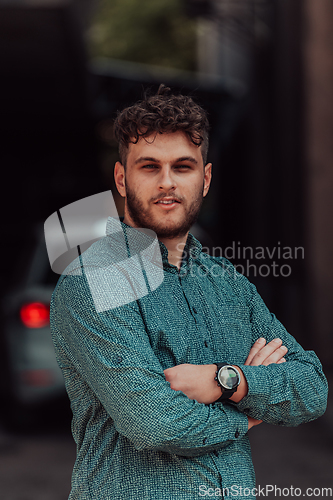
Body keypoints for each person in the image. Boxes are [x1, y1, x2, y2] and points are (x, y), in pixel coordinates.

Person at [50, 85, 328, 500]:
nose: (167, 183)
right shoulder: (93, 282)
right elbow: (157, 423)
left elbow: (312, 387)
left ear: (206, 178)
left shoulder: (228, 283)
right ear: (122, 179)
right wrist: (250, 412)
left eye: (182, 166)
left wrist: (225, 380)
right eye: (149, 167)